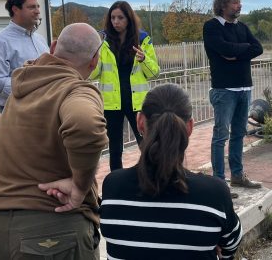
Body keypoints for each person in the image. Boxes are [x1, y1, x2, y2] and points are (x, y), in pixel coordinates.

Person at [0, 23, 107, 260]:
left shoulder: (23, 86)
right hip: (51, 235)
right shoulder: (75, 90)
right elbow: (86, 125)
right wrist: (80, 186)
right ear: (94, 61)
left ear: (54, 47)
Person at [98, 83, 243, 259]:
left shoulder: (113, 186)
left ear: (140, 122)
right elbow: (231, 246)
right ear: (189, 127)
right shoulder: (215, 194)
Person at [203, 0, 263, 190]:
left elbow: (258, 48)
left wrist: (234, 54)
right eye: (235, 2)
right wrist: (242, 50)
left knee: (239, 133)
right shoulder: (211, 27)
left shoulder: (242, 27)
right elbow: (224, 49)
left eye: (239, 2)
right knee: (221, 136)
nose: (239, 5)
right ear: (223, 5)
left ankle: (237, 176)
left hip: (245, 88)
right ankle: (219, 182)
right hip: (224, 89)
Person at [90, 1, 159, 170]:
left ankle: (151, 176)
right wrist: (91, 58)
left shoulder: (143, 39)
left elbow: (154, 72)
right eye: (112, 17)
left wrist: (144, 60)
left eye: (120, 17)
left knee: (146, 143)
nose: (116, 21)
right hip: (111, 103)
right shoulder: (103, 41)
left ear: (129, 18)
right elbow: (93, 73)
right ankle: (116, 182)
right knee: (114, 148)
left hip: (137, 102)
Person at [0, 0, 48, 110]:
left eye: (38, 6)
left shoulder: (40, 40)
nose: (38, 11)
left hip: (44, 105)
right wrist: (30, 89)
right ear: (15, 9)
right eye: (31, 7)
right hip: (16, 109)